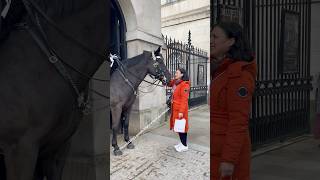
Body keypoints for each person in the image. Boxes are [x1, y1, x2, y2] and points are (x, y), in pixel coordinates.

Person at [210, 22, 257, 180]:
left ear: (231, 41)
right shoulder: (218, 69)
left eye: (215, 36)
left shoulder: (239, 75)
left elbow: (238, 120)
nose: (211, 40)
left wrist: (229, 159)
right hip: (215, 148)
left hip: (226, 154)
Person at [167, 68, 190, 152]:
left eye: (177, 72)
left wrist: (181, 112)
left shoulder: (185, 85)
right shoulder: (176, 82)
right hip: (175, 108)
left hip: (181, 109)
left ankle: (185, 145)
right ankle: (181, 143)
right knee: (178, 127)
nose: (175, 74)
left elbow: (184, 100)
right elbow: (169, 83)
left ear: (182, 74)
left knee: (182, 127)